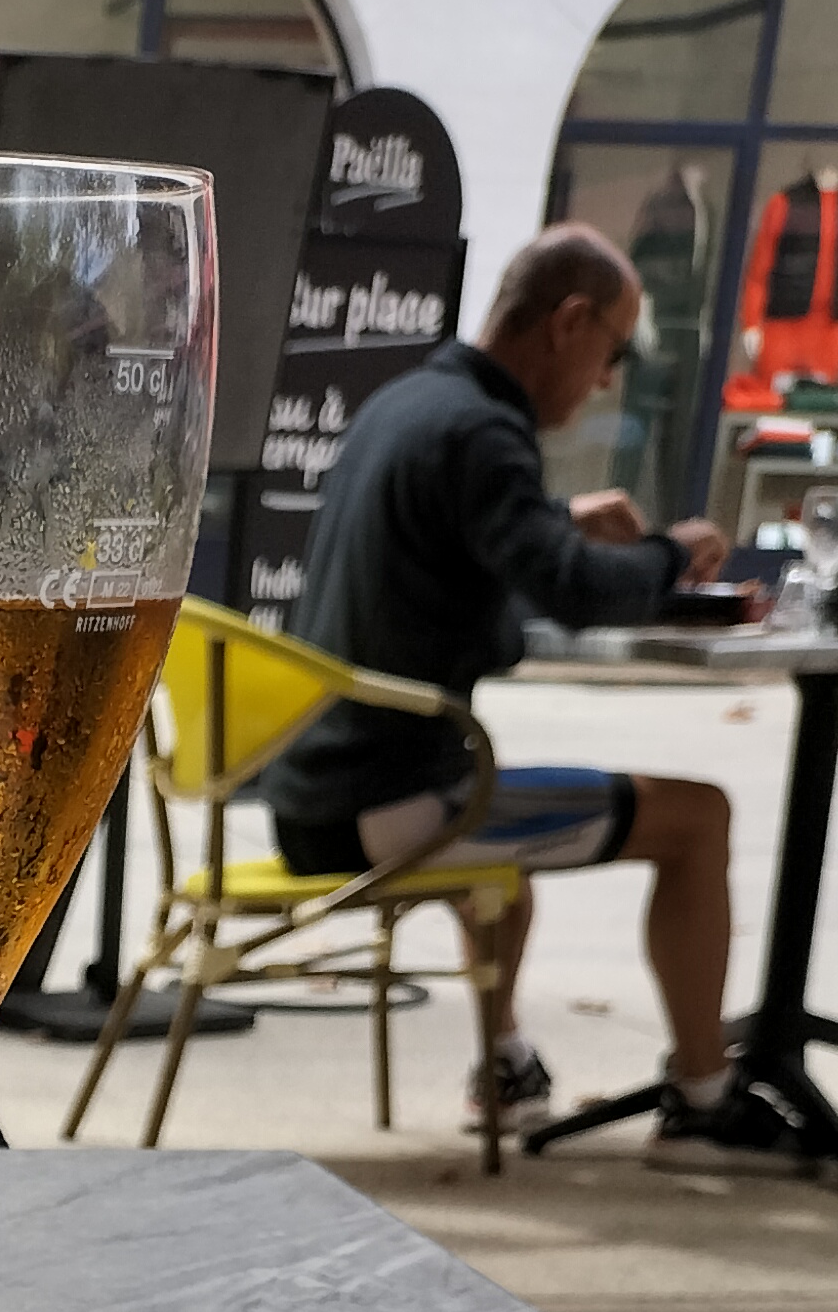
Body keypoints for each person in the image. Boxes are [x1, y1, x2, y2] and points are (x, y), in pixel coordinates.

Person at [268, 221, 792, 1162]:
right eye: (613, 352)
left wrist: (554, 518)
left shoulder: (411, 402)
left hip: (312, 788)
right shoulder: (483, 431)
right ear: (570, 321)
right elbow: (575, 592)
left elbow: (469, 549)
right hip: (392, 803)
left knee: (509, 848)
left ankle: (506, 1065)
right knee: (698, 818)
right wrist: (671, 553)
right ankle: (705, 1098)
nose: (608, 381)